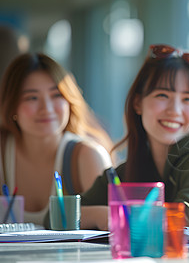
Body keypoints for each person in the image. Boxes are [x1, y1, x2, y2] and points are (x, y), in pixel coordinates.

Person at [80, 44, 189, 230]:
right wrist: (103, 215)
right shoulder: (128, 170)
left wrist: (120, 215)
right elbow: (60, 215)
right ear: (138, 103)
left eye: (187, 99)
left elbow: (184, 217)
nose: (174, 110)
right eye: (162, 95)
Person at [0, 53, 114, 226]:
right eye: (32, 97)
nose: (46, 108)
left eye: (56, 95)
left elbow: (112, 224)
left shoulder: (87, 156)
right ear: (11, 106)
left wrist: (94, 214)